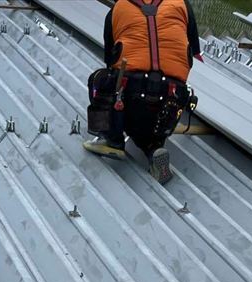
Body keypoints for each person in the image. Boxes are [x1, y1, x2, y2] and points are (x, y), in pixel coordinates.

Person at [84, 0, 203, 184]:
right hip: (171, 102)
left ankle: (110, 138)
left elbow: (110, 61)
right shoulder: (182, 4)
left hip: (130, 95)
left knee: (98, 79)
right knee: (152, 125)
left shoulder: (120, 6)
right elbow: (195, 53)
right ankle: (154, 147)